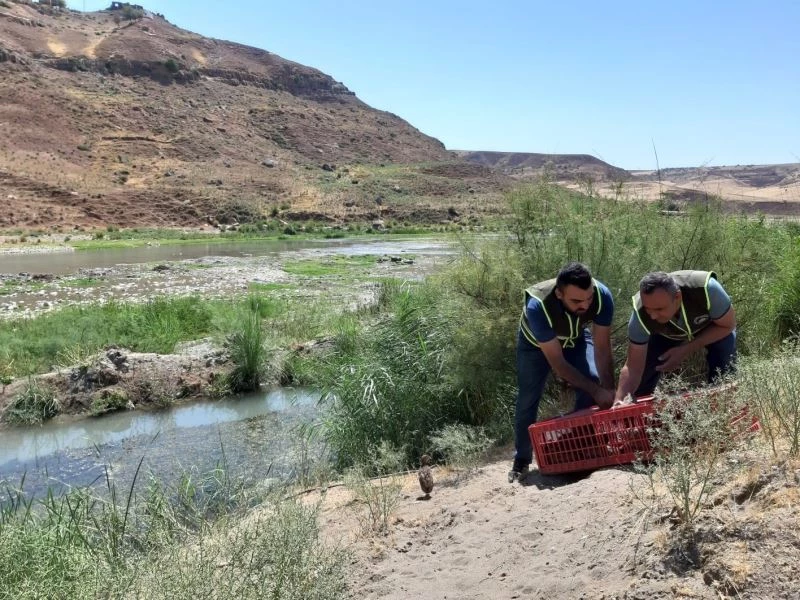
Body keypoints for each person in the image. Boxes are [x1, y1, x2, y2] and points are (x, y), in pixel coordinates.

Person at [510, 262, 615, 482]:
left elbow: (603, 349)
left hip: (575, 338)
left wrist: (608, 391)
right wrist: (597, 392)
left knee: (593, 380)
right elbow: (558, 364)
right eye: (576, 301)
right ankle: (522, 460)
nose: (585, 305)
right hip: (535, 346)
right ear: (559, 293)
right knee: (529, 398)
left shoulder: (602, 295)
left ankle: (582, 446)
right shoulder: (537, 306)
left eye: (588, 299)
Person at [613, 270, 736, 405]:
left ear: (677, 297)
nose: (653, 316)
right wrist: (620, 400)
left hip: (713, 327)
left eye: (659, 309)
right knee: (644, 373)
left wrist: (685, 349)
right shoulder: (640, 315)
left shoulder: (708, 289)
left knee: (724, 357)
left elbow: (727, 326)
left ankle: (724, 406)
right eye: (648, 309)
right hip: (665, 333)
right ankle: (643, 417)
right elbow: (632, 367)